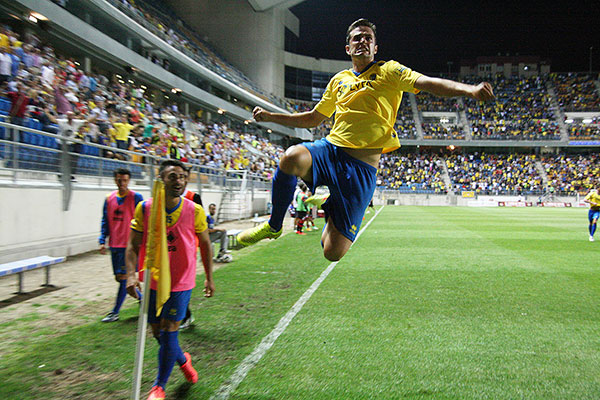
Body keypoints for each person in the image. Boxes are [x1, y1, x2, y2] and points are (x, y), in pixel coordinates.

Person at [238, 18, 495, 261]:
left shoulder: (390, 71)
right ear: (348, 47)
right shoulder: (339, 80)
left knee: (332, 253)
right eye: (357, 38)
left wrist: (469, 90)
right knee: (291, 156)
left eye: (368, 38)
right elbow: (313, 118)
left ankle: (330, 204)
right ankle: (273, 226)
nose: (363, 41)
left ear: (375, 46)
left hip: (361, 168)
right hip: (331, 151)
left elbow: (428, 83)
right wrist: (272, 116)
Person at [125, 160, 215, 400]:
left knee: (168, 331)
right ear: (161, 180)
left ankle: (159, 387)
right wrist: (131, 274)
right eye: (172, 176)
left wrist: (209, 277)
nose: (178, 181)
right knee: (158, 334)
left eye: (182, 177)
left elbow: (205, 245)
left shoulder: (194, 210)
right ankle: (183, 360)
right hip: (153, 278)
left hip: (181, 281)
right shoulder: (145, 209)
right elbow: (132, 245)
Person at [98, 168, 144, 322]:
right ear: (115, 180)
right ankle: (144, 300)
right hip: (115, 245)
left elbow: (143, 219)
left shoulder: (136, 197)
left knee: (125, 278)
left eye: (125, 180)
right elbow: (105, 220)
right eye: (119, 180)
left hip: (129, 245)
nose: (122, 183)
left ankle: (115, 312)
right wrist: (102, 240)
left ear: (129, 180)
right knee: (120, 278)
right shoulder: (109, 198)